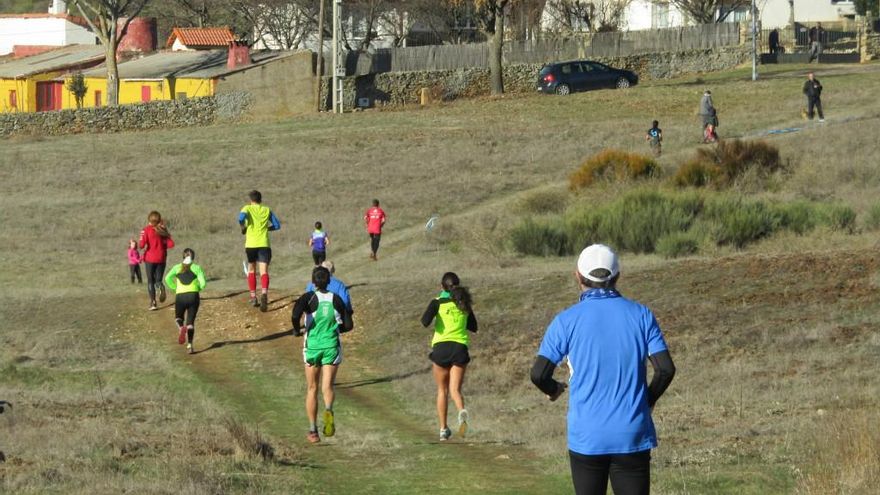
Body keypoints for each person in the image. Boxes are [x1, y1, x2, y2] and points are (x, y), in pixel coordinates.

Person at [530, 244, 676, 495]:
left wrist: (554, 389)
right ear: (617, 276)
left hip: (587, 436)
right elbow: (665, 369)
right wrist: (647, 400)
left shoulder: (565, 320)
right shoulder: (642, 315)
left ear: (577, 275)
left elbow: (539, 374)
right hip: (631, 433)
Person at [292, 266, 354, 444]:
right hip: (331, 347)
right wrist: (337, 328)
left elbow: (295, 314)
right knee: (327, 387)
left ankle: (313, 431)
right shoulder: (337, 299)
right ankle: (328, 409)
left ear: (313, 282)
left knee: (312, 388)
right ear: (329, 281)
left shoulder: (308, 297)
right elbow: (349, 325)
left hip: (312, 347)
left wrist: (297, 330)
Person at [420, 272, 477, 441]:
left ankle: (443, 429)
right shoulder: (464, 305)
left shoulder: (437, 303)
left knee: (442, 390)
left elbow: (424, 322)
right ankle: (461, 411)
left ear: (442, 286)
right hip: (460, 348)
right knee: (455, 390)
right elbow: (474, 327)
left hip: (441, 349)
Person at [239, 190, 281, 312]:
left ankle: (253, 296)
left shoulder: (247, 208)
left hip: (251, 244)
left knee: (251, 269)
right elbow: (277, 225)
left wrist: (243, 227)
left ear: (251, 199)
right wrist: (267, 229)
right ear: (260, 199)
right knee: (264, 271)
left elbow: (240, 218)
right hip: (264, 244)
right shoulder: (267, 210)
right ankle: (264, 293)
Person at [164, 248, 207, 355]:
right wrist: (197, 289)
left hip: (180, 296)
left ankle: (181, 328)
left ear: (183, 257)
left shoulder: (176, 267)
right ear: (193, 257)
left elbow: (167, 278)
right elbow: (203, 283)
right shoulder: (197, 268)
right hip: (193, 295)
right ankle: (190, 346)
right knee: (190, 323)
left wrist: (175, 288)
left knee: (178, 318)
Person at [139, 211, 175, 310]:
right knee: (158, 280)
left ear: (149, 219)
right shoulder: (162, 230)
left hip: (150, 258)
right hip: (161, 258)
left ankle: (153, 303)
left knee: (150, 280)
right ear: (159, 219)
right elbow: (171, 244)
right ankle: (161, 285)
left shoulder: (145, 230)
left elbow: (141, 245)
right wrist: (165, 234)